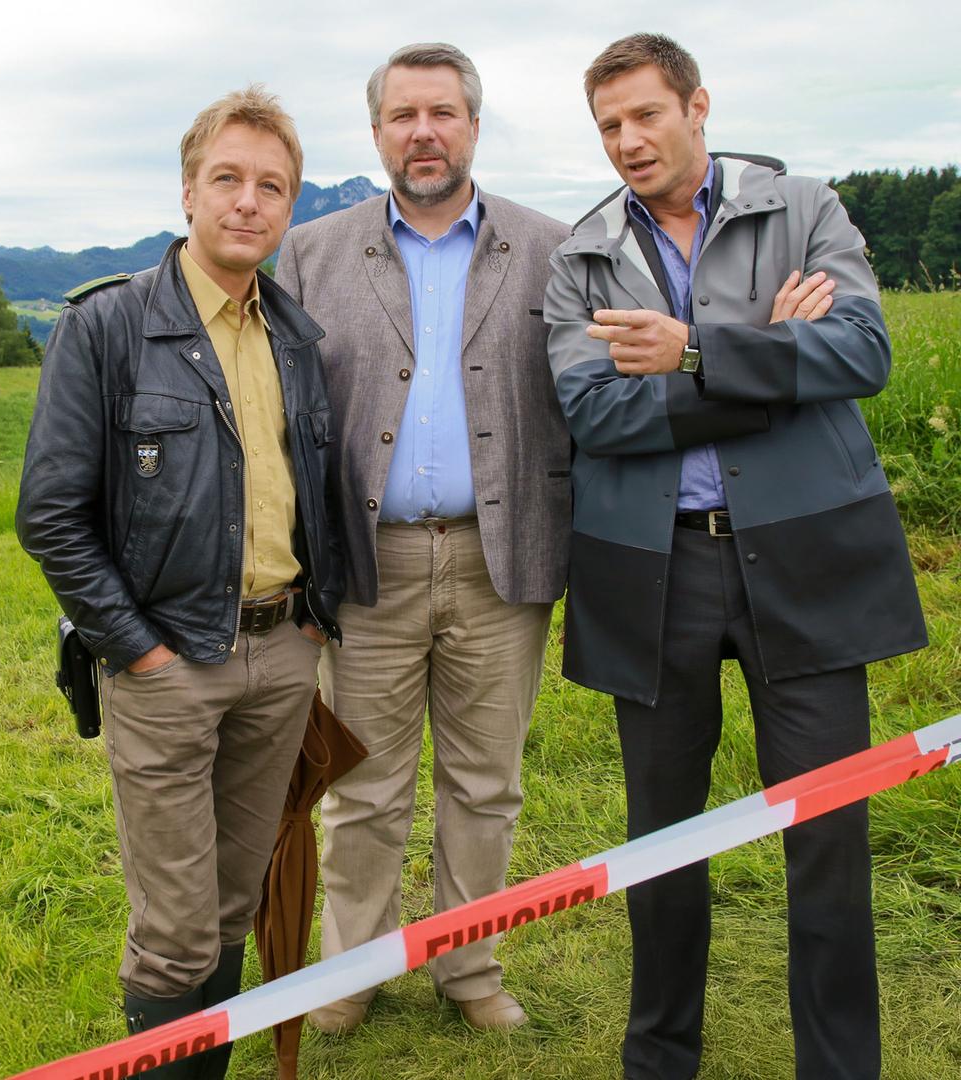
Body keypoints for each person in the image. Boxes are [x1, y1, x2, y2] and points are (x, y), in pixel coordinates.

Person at [545, 32, 926, 1080]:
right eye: (609, 125)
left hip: (803, 559)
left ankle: (840, 1067)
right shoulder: (578, 253)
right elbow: (592, 410)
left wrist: (698, 351)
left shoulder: (802, 207)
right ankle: (661, 1059)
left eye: (645, 116)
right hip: (650, 568)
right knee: (660, 839)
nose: (628, 140)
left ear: (697, 106)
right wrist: (770, 358)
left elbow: (862, 353)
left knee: (827, 831)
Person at [16, 85, 345, 1079]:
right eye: (228, 180)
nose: (249, 202)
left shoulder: (297, 337)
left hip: (282, 656)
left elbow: (315, 490)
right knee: (175, 931)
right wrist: (140, 652)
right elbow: (51, 515)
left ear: (289, 207)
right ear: (189, 192)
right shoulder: (107, 329)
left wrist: (314, 623)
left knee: (233, 904)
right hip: (167, 666)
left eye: (272, 186)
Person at [272, 42, 569, 1034]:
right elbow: (285, 419)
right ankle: (350, 975)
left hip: (501, 562)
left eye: (443, 112)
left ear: (474, 126)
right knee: (362, 784)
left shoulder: (550, 247)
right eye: (404, 115)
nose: (424, 132)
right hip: (367, 565)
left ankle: (468, 971)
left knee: (486, 783)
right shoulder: (315, 251)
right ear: (377, 132)